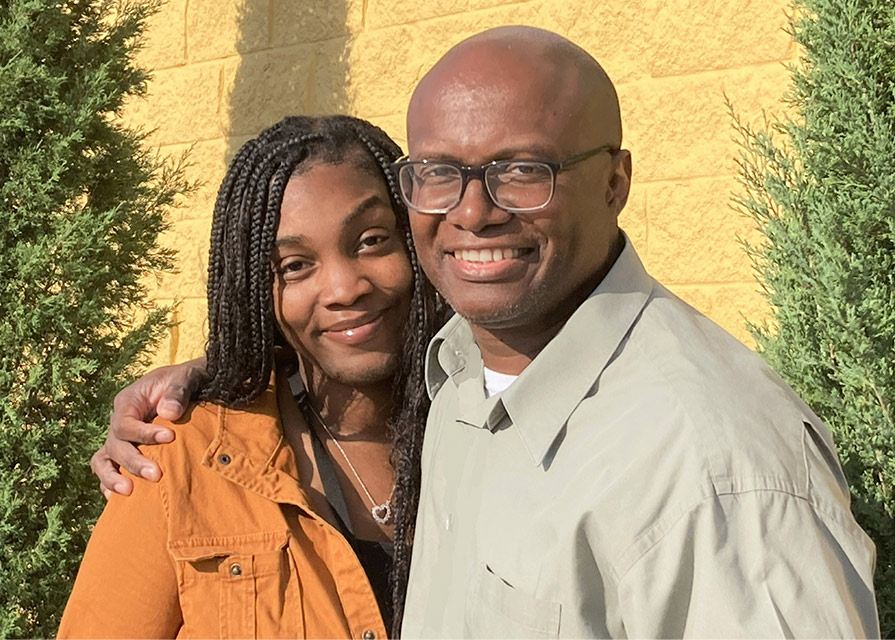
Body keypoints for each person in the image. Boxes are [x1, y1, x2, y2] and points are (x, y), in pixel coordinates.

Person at [94, 27, 880, 638]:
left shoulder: (714, 467)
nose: (473, 212)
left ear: (615, 182)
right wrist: (215, 370)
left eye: (523, 170)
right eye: (440, 172)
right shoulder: (462, 374)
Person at [59, 115, 443, 638]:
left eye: (372, 240)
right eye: (294, 266)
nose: (344, 288)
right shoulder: (180, 463)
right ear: (256, 290)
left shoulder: (483, 420)